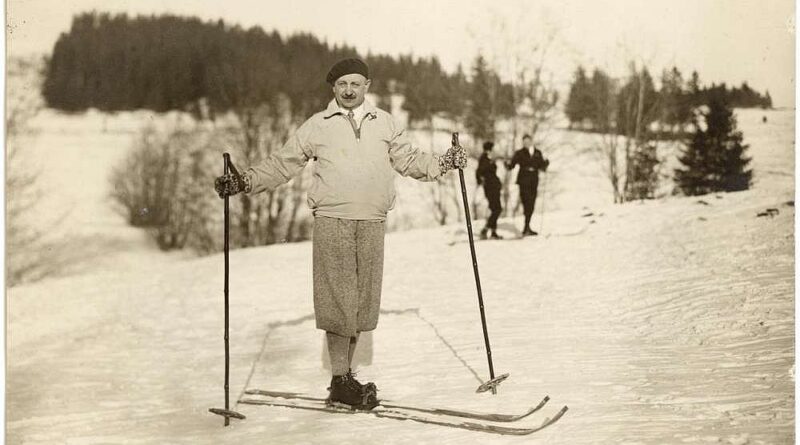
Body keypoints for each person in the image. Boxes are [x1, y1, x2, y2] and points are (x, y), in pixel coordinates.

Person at [213, 58, 467, 410]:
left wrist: (444, 162)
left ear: (367, 86)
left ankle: (344, 378)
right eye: (342, 84)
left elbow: (410, 160)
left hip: (373, 221)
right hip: (333, 221)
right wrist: (244, 181)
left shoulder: (386, 123)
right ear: (333, 88)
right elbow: (283, 162)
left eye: (356, 84)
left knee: (363, 304)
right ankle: (340, 378)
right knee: (338, 301)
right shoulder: (318, 126)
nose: (349, 90)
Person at [506, 134, 549, 236]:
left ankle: (527, 227)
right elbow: (512, 165)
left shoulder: (538, 153)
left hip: (534, 180)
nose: (526, 144)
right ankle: (526, 228)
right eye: (524, 142)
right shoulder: (519, 153)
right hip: (523, 180)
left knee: (532, 203)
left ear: (531, 141)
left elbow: (542, 166)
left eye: (528, 141)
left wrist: (546, 163)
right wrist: (507, 165)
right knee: (526, 202)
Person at [475, 141, 503, 240]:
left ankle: (493, 232)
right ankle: (486, 229)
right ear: (490, 149)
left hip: (494, 186)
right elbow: (479, 171)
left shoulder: (488, 158)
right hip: (490, 187)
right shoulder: (485, 158)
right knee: (497, 209)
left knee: (494, 209)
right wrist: (480, 181)